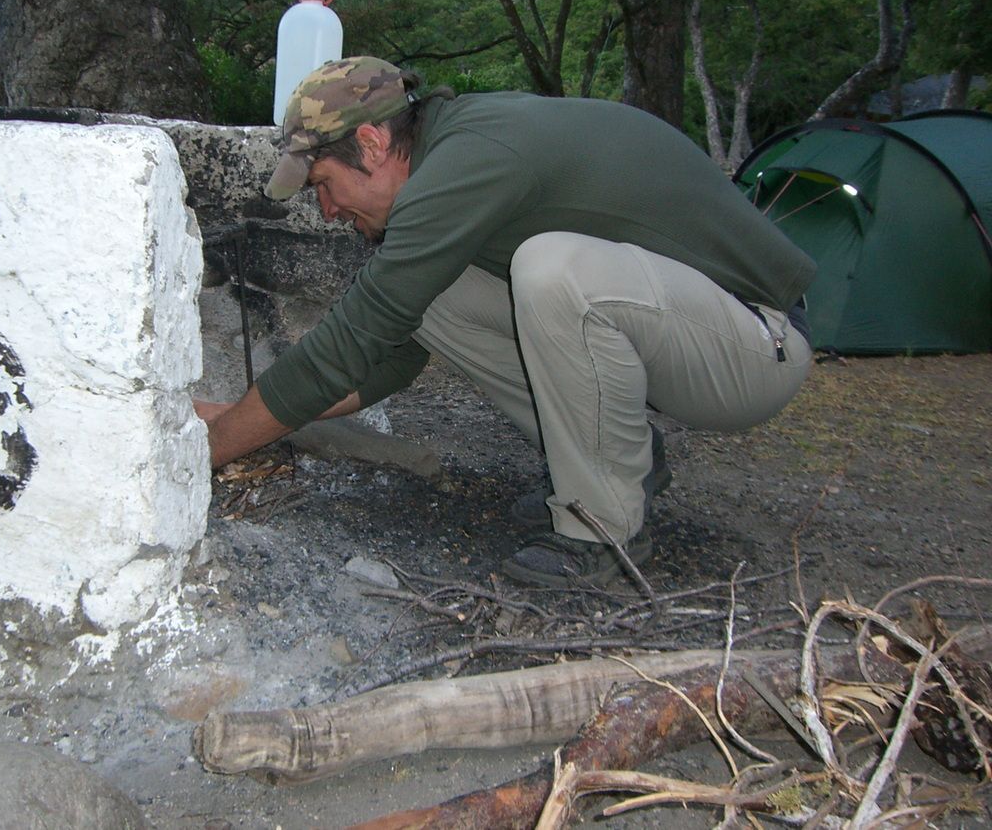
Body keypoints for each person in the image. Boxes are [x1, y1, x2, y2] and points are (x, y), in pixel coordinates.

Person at [194, 56, 815, 588]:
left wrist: (209, 451)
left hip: (758, 345)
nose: (327, 211)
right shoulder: (452, 155)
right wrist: (235, 416)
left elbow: (347, 344)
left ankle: (601, 532)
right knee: (441, 296)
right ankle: (629, 464)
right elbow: (391, 352)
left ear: (374, 144)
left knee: (553, 272)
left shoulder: (473, 156)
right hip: (682, 330)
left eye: (324, 185)